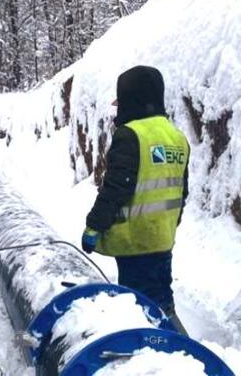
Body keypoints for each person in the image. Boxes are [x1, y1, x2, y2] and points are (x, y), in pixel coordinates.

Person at [81, 65, 190, 335]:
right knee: (162, 300)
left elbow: (117, 188)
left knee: (139, 307)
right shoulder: (177, 137)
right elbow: (181, 191)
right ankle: (182, 351)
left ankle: (164, 354)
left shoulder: (130, 135)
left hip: (134, 240)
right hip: (162, 237)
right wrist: (169, 225)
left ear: (131, 100)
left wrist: (94, 225)